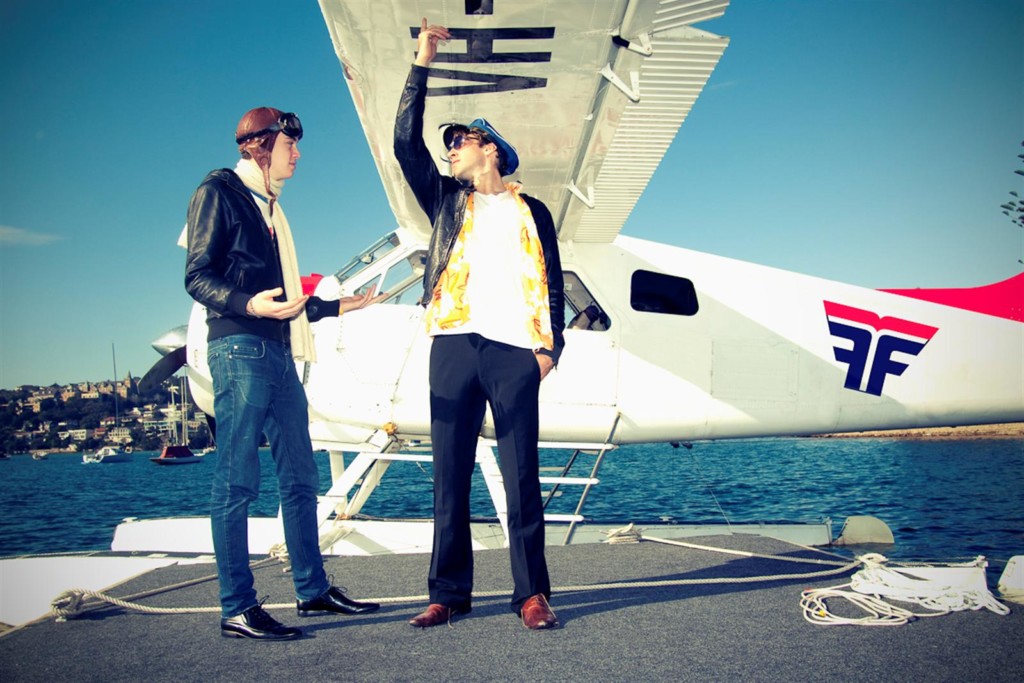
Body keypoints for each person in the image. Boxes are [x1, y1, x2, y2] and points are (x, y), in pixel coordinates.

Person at [185, 107, 384, 640]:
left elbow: (287, 303)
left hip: (277, 352)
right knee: (238, 480)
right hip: (240, 349)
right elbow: (197, 275)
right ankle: (236, 606)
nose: (297, 155)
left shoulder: (271, 208)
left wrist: (341, 308)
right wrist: (248, 304)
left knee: (301, 477)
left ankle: (312, 591)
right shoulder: (220, 191)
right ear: (260, 146)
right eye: (289, 146)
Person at [394, 20, 566, 630]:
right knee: (449, 477)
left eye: (461, 142)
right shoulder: (445, 201)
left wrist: (551, 350)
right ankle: (447, 593)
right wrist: (422, 63)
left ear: (490, 148)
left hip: (515, 350)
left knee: (522, 475)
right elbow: (404, 145)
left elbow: (553, 281)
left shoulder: (534, 212)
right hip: (452, 344)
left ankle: (531, 594)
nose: (451, 151)